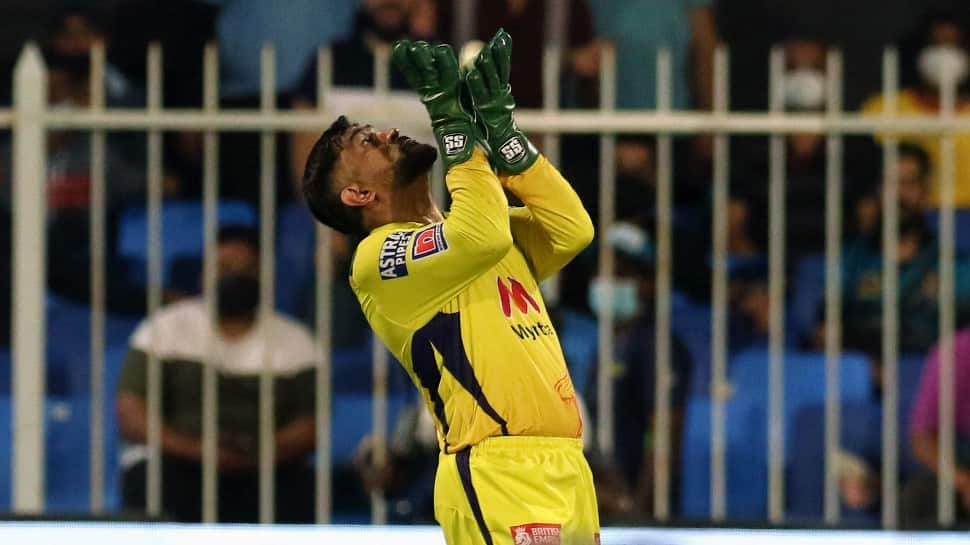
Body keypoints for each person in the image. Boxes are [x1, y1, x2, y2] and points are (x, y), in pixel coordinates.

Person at [302, 31, 599, 545]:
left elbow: (572, 229)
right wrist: (455, 125)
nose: (390, 132)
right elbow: (478, 235)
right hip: (496, 471)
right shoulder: (376, 258)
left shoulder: (475, 233)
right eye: (367, 143)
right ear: (358, 193)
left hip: (565, 463)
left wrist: (503, 133)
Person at [116, 226, 317, 523]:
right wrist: (196, 449)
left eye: (246, 269)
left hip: (265, 465)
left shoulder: (295, 339)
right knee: (151, 479)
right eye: (223, 267)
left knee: (302, 486)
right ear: (203, 274)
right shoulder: (164, 328)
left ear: (264, 276)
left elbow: (309, 425)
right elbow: (131, 413)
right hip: (177, 461)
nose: (234, 277)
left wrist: (256, 454)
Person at [586, 222, 692, 521]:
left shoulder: (656, 346)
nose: (604, 282)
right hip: (604, 505)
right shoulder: (608, 343)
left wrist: (638, 512)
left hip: (638, 513)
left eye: (619, 274)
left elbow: (664, 435)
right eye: (600, 272)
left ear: (648, 283)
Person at [861, 11, 970, 207]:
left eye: (953, 46)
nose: (944, 55)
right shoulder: (880, 109)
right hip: (904, 219)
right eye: (935, 45)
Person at [901, 326, 970, 527]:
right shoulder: (957, 350)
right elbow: (921, 438)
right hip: (963, 462)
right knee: (920, 498)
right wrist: (963, 481)